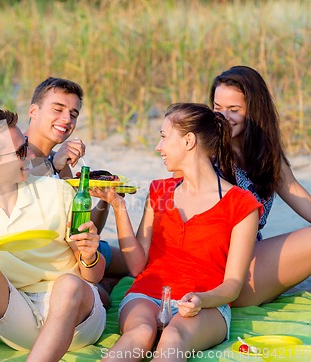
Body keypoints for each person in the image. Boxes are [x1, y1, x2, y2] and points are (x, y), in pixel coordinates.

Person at [92, 103, 262, 361]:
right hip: (147, 294)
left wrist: (200, 300)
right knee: (140, 333)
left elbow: (233, 286)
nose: (159, 147)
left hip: (206, 305)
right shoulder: (159, 191)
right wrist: (118, 207)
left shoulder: (242, 204)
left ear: (188, 141)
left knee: (173, 339)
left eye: (163, 136)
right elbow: (137, 267)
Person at [0, 109, 106, 362]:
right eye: (19, 152)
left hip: (78, 321)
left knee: (68, 284)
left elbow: (92, 275)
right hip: (17, 318)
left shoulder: (57, 192)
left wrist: (89, 255)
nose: (30, 155)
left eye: (25, 145)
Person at [209, 65, 311, 307]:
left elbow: (298, 195)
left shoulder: (265, 155)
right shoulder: (205, 152)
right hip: (221, 273)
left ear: (255, 111)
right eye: (217, 108)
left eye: (234, 110)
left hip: (252, 259)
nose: (223, 117)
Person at [25, 77, 129, 306]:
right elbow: (20, 197)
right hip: (54, 257)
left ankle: (106, 282)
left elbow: (84, 228)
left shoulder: (58, 162)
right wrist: (55, 166)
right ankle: (104, 284)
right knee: (101, 298)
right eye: (58, 109)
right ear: (34, 111)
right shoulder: (17, 155)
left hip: (82, 248)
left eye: (73, 114)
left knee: (138, 263)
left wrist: (105, 199)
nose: (66, 119)